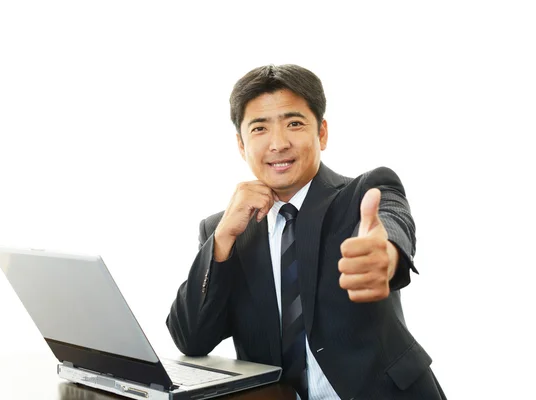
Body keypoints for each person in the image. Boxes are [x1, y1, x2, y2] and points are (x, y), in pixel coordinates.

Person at [166, 64, 446, 399]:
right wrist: (223, 240)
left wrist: (383, 255)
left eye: (294, 124)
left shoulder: (364, 193)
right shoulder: (223, 229)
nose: (279, 143)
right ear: (241, 145)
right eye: (259, 129)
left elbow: (390, 220)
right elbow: (191, 339)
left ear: (322, 133)